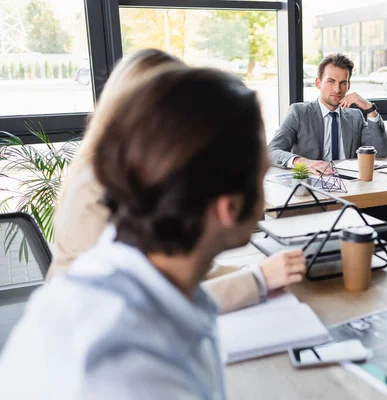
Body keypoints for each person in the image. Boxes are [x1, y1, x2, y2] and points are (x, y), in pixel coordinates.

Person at [0, 67, 277, 398]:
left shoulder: (129, 271)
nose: (265, 198)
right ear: (229, 207)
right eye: (262, 179)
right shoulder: (121, 370)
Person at [50, 48, 305, 314]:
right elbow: (151, 302)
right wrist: (258, 279)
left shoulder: (135, 167)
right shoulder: (95, 187)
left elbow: (170, 262)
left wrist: (251, 271)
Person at [268, 53, 387, 249]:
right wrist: (303, 162)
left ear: (348, 86)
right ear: (318, 83)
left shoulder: (355, 116)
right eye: (331, 81)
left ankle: (374, 269)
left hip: (352, 191)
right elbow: (272, 150)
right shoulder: (299, 112)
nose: (337, 89)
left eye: (343, 83)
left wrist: (370, 109)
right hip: (315, 195)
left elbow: (381, 151)